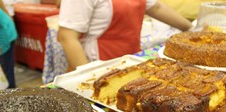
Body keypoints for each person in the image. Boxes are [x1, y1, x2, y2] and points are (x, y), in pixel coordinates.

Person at [57, 0, 193, 71]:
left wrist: (190, 28)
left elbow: (156, 8)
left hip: (130, 60)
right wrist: (87, 76)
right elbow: (67, 37)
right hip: (95, 64)